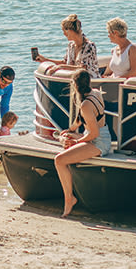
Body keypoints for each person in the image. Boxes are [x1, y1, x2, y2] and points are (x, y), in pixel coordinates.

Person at [54, 68, 112, 217]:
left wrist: (77, 142)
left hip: (98, 142)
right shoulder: (95, 93)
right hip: (97, 135)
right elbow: (83, 118)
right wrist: (70, 130)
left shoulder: (86, 104)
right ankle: (69, 197)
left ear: (75, 84)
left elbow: (94, 133)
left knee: (59, 161)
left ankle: (69, 199)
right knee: (65, 140)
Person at [34, 14, 100, 76]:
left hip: (89, 80)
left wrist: (60, 67)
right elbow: (65, 62)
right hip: (74, 79)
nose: (64, 34)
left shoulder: (89, 46)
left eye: (64, 31)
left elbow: (82, 68)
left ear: (70, 30)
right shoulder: (71, 45)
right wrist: (44, 60)